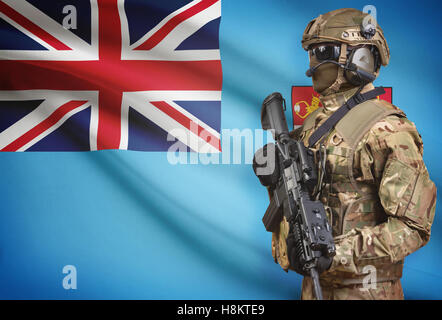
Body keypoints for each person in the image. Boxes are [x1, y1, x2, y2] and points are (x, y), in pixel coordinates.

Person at [270, 8, 437, 300]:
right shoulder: (313, 124)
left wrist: (338, 252)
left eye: (324, 51)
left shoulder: (388, 129)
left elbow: (413, 228)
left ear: (359, 57)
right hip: (314, 288)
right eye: (313, 51)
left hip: (367, 293)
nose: (314, 61)